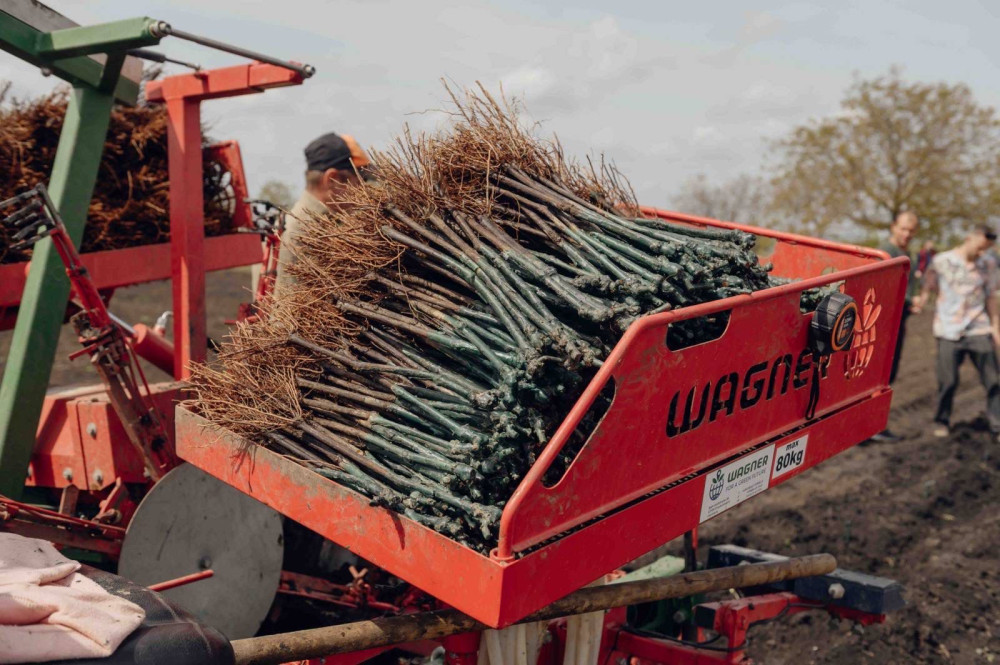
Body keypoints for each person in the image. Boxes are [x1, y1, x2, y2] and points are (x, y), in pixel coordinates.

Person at [915, 225, 1000, 440]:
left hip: (978, 328)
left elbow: (991, 296)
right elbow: (927, 287)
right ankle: (942, 421)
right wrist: (920, 301)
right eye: (980, 247)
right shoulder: (942, 261)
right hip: (948, 329)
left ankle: (997, 425)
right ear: (969, 238)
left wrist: (995, 328)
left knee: (993, 380)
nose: (982, 252)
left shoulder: (988, 264)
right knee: (948, 381)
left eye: (987, 248)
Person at [274, 132, 371, 293]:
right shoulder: (303, 234)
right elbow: (290, 304)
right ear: (333, 180)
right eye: (362, 180)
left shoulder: (300, 222)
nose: (365, 189)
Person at [871, 210, 919, 442]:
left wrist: (911, 302)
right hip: (881, 326)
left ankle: (873, 425)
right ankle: (872, 427)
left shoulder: (909, 255)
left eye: (911, 230)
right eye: (903, 229)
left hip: (899, 322)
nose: (906, 234)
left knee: (889, 375)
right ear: (893, 227)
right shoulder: (884, 254)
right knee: (877, 377)